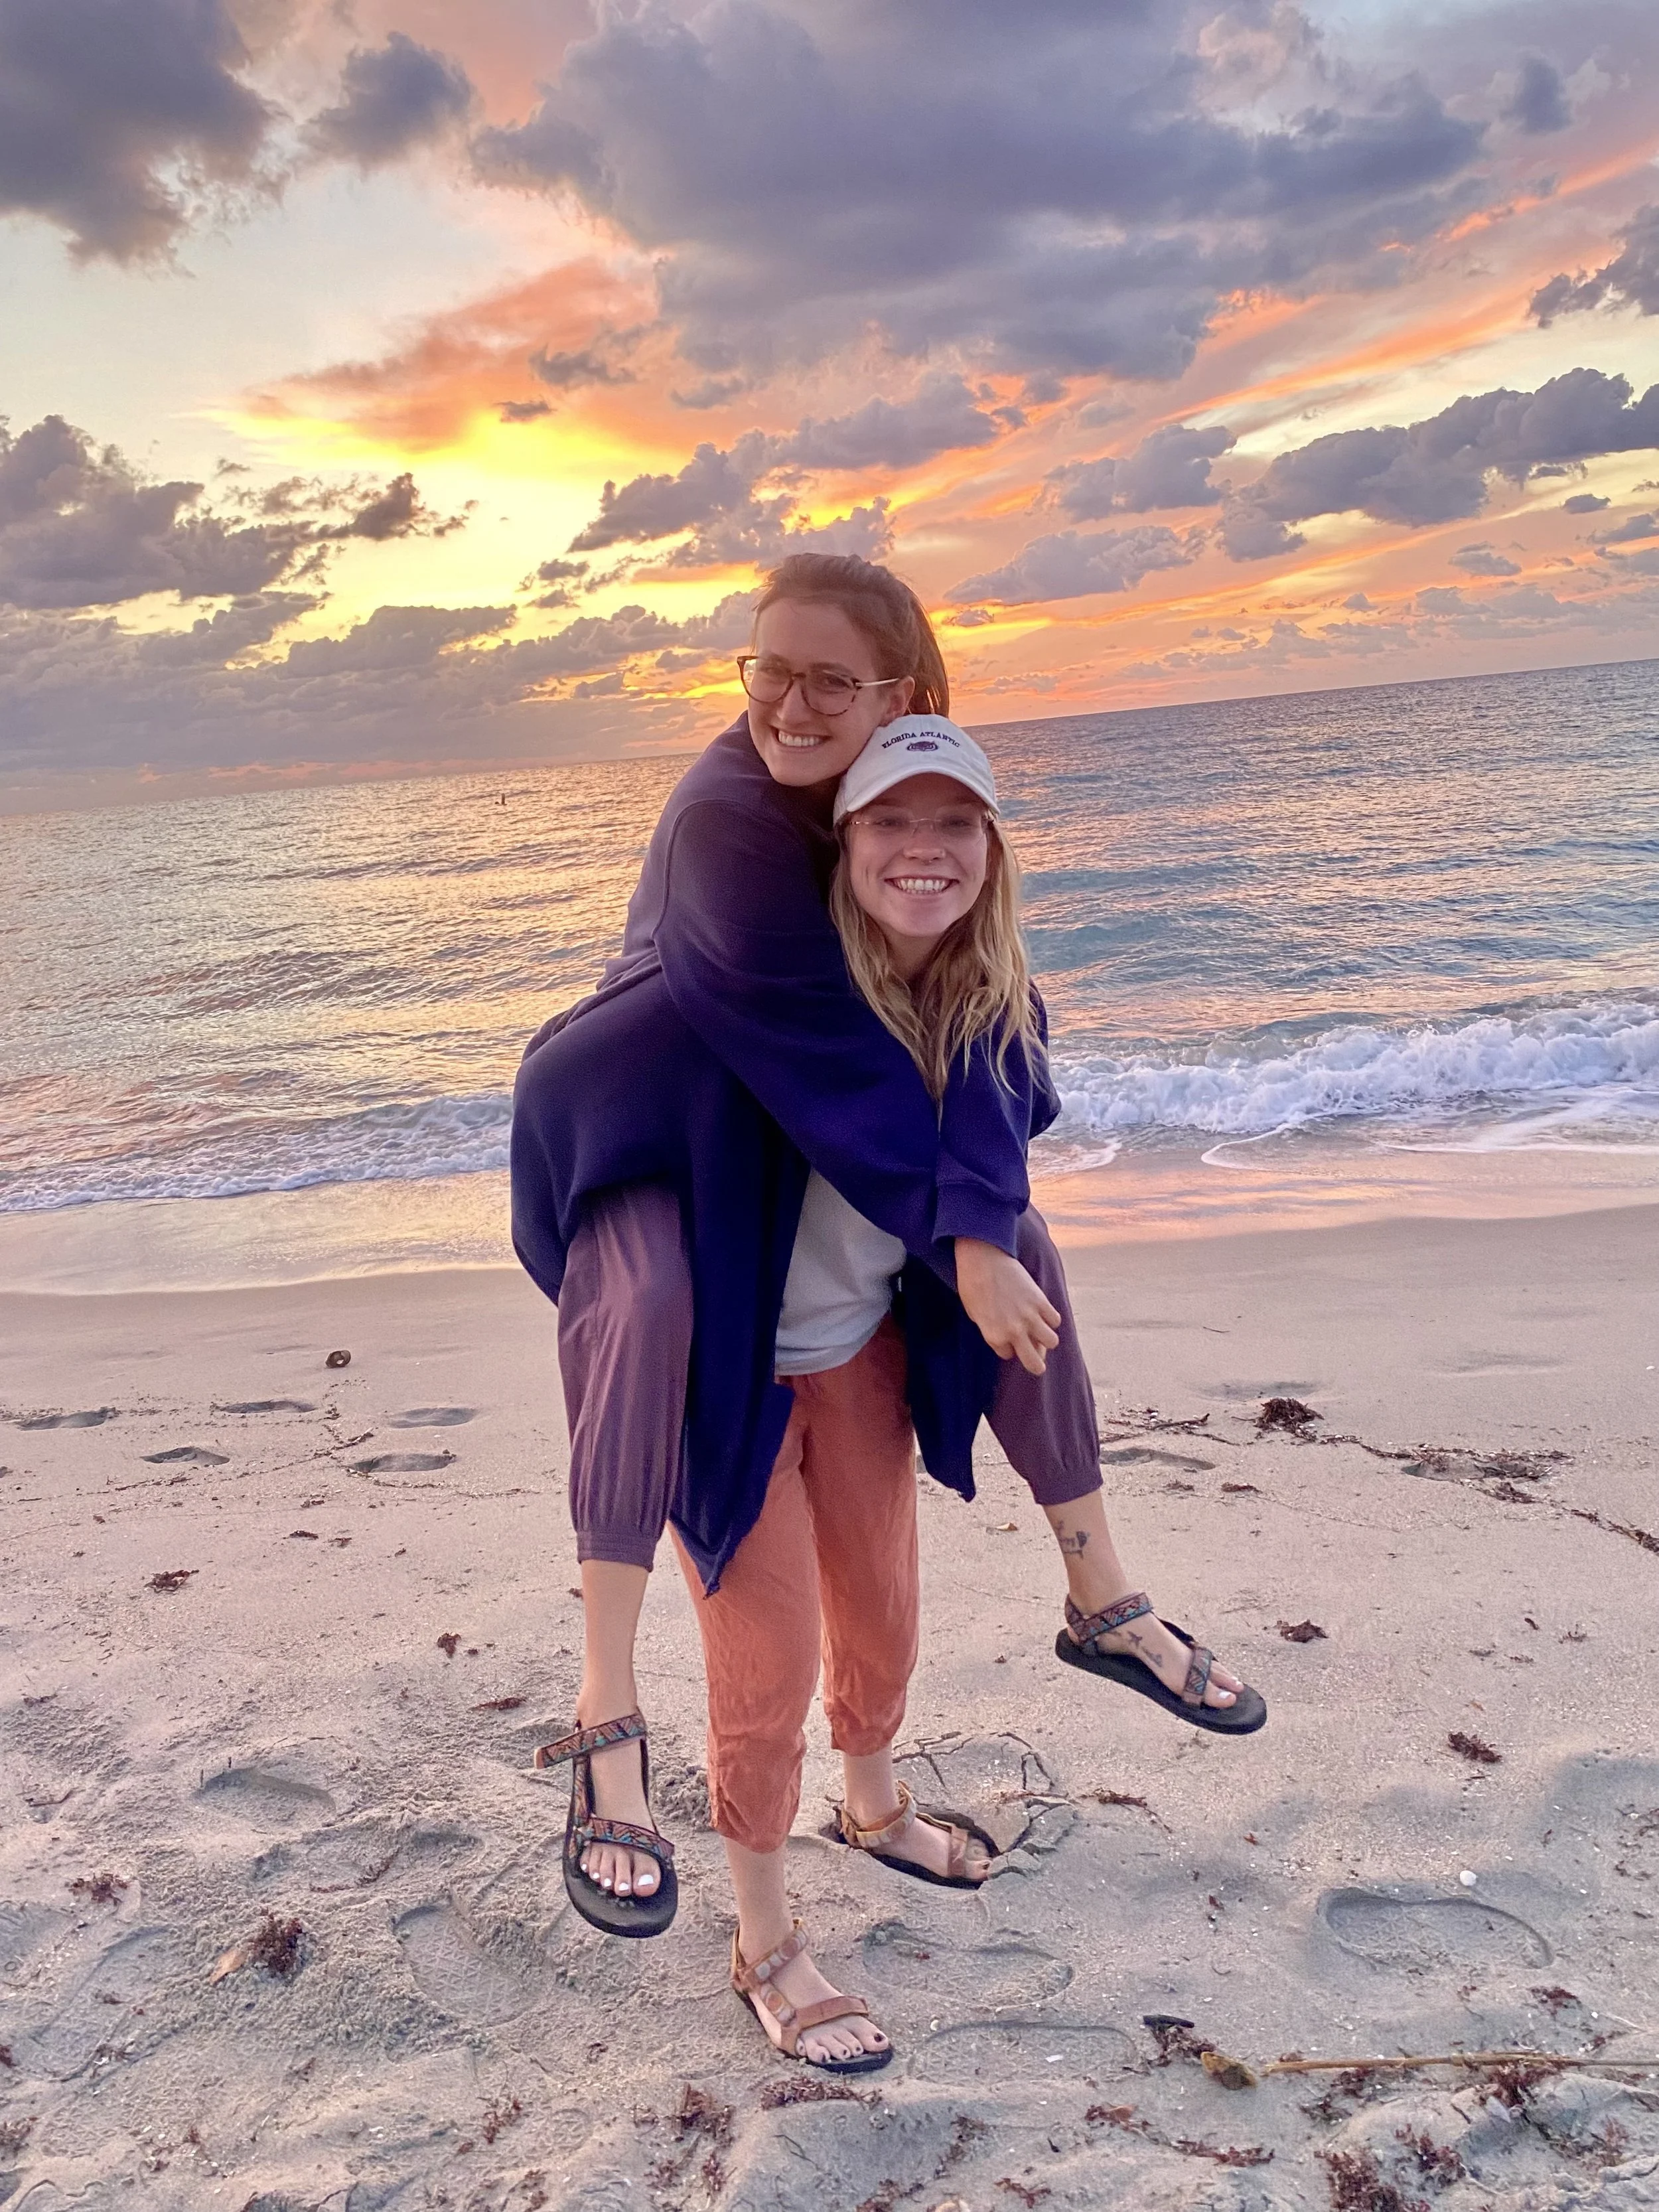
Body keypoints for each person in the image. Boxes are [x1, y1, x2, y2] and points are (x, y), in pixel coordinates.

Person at [510, 559, 1263, 1937]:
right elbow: (836, 1055)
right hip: (641, 1135)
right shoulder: (728, 828)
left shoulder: (898, 872)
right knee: (665, 1334)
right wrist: (963, 1228)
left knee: (892, 1571)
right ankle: (626, 1743)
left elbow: (986, 1030)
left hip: (828, 1290)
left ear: (898, 694)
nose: (786, 705)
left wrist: (981, 1227)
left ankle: (968, 1709)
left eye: (828, 681)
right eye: (766, 669)